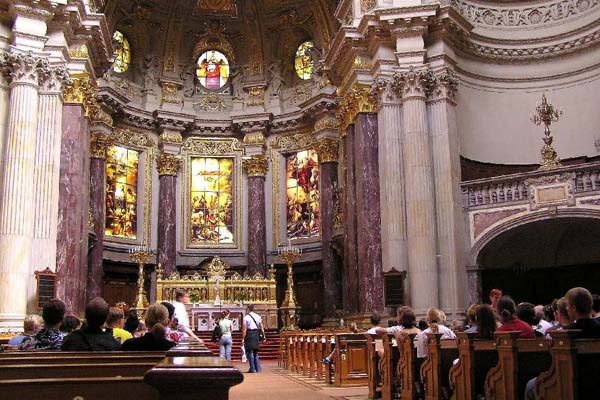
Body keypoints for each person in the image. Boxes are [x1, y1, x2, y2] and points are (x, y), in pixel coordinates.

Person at [242, 304, 263, 373]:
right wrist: (263, 335)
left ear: (248, 309)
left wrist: (243, 338)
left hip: (250, 334)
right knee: (255, 351)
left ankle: (252, 368)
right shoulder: (258, 316)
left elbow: (244, 329)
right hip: (256, 333)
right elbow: (261, 327)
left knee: (250, 351)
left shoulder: (246, 318)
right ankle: (258, 368)